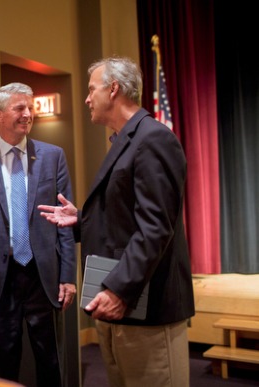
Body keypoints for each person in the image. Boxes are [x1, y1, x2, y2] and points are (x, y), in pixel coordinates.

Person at [38, 56, 195, 386]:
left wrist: (118, 288)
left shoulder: (153, 139)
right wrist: (81, 220)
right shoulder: (126, 140)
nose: (86, 98)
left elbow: (155, 228)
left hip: (145, 308)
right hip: (120, 306)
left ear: (113, 90)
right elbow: (125, 218)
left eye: (91, 89)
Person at [0, 82, 77, 386]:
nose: (27, 114)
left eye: (30, 107)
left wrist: (67, 276)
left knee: (51, 362)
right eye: (19, 108)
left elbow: (63, 222)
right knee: (2, 364)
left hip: (43, 276)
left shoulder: (53, 156)